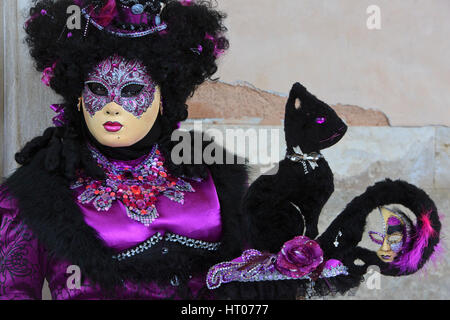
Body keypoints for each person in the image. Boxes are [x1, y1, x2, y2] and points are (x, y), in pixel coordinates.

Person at [0, 0, 441, 300]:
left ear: (163, 96)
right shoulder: (35, 194)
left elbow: (237, 288)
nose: (113, 104)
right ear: (77, 95)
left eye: (132, 89)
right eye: (97, 89)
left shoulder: (212, 178)